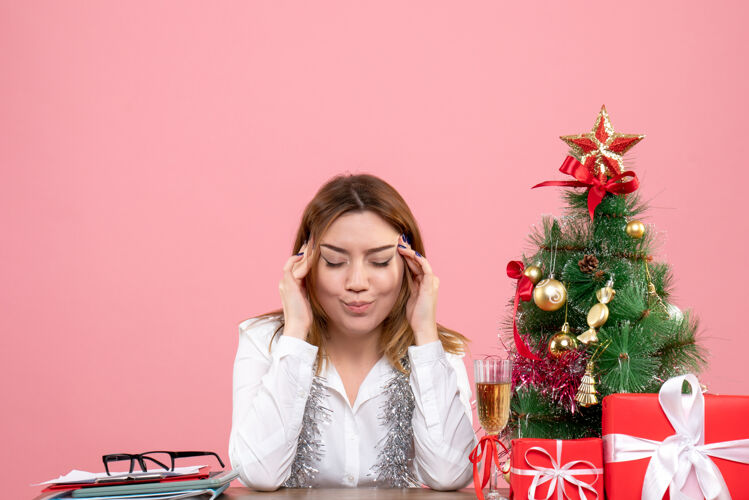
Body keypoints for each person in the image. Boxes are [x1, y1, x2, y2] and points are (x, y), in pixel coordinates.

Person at [228, 174, 476, 490]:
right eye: (334, 262)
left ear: (409, 264)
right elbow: (258, 474)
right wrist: (296, 333)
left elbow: (450, 474)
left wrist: (425, 333)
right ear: (308, 263)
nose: (357, 282)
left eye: (380, 261)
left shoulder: (435, 351)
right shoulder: (264, 340)